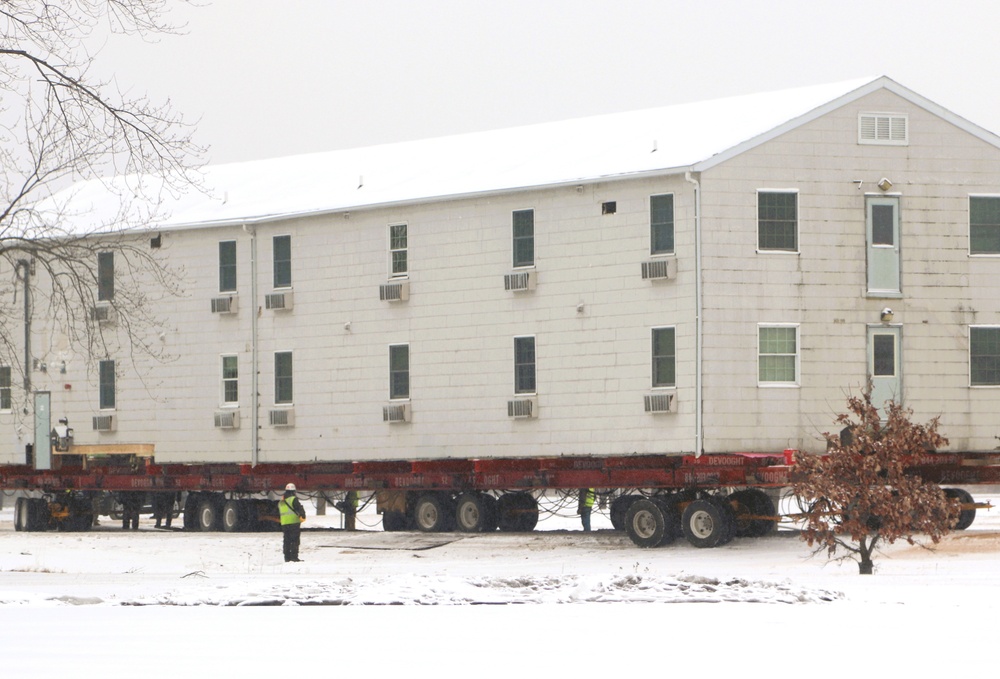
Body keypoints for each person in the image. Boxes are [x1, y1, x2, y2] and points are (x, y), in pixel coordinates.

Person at [278, 483, 306, 562]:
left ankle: (287, 557)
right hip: (294, 523)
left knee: (286, 541)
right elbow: (299, 508)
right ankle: (294, 557)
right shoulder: (293, 499)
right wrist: (303, 516)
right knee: (294, 540)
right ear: (293, 491)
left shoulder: (281, 501)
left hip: (284, 524)